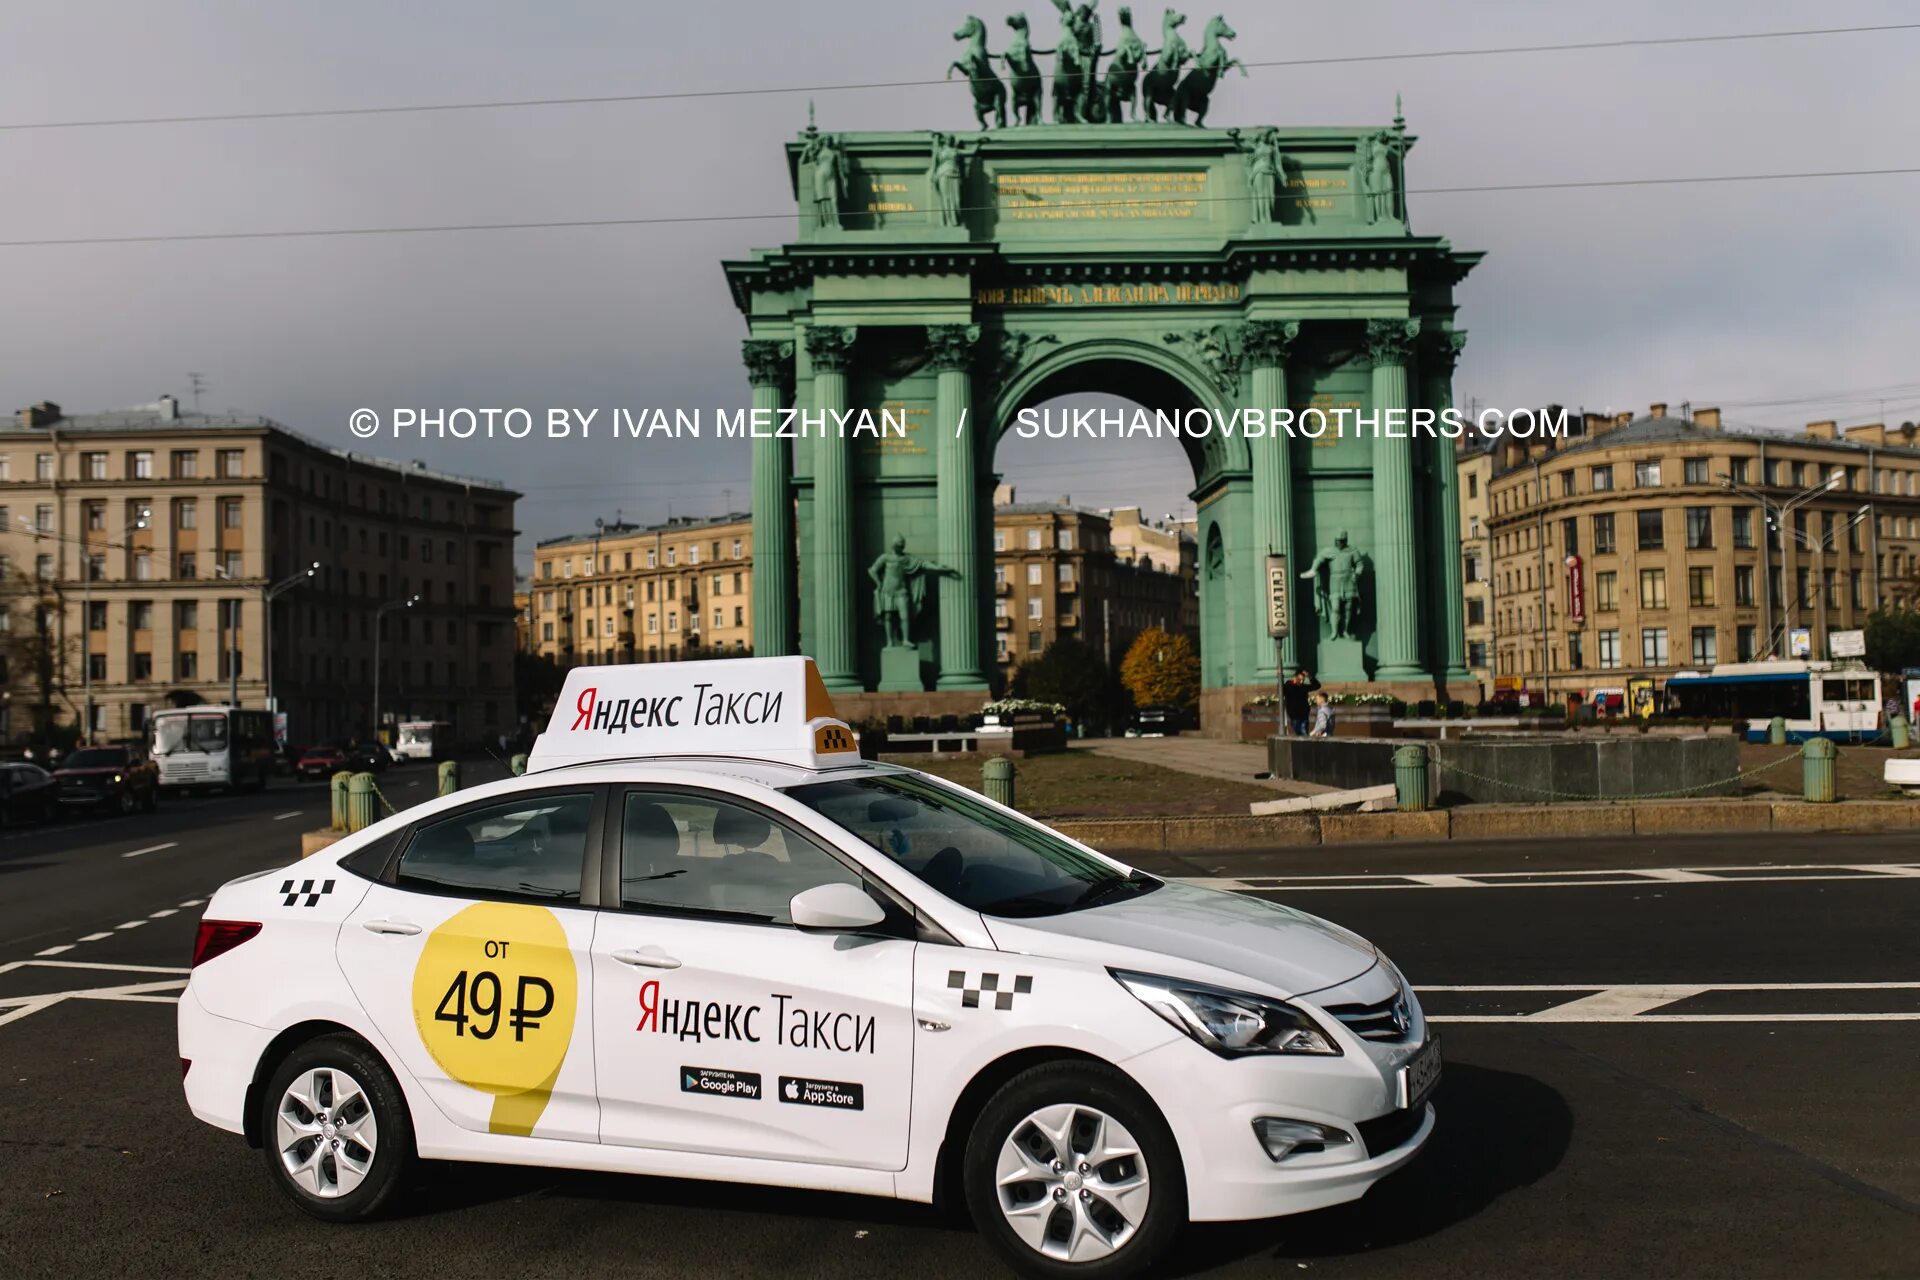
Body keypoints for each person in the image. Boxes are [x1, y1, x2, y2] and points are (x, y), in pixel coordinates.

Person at [1281, 669, 1320, 736]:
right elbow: (1280, 691)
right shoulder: (1288, 686)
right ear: (1295, 678)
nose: (1301, 681)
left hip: (1304, 714)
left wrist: (1309, 676)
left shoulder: (1303, 687)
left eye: (1303, 680)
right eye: (1300, 679)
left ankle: (1305, 745)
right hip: (1294, 714)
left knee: (1303, 733)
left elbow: (1317, 686)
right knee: (1300, 733)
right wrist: (1280, 679)